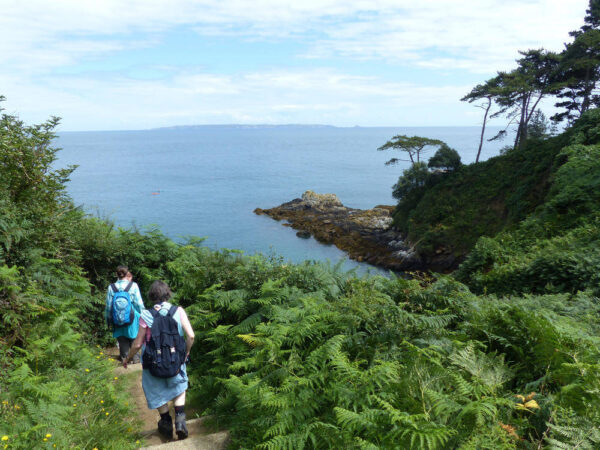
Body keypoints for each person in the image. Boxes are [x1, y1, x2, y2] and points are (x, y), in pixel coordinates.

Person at [123, 281, 195, 440]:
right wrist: (186, 353)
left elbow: (137, 343)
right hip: (176, 359)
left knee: (156, 390)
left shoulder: (146, 314)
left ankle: (166, 422)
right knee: (179, 386)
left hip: (153, 362)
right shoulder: (178, 311)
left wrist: (128, 358)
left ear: (152, 296)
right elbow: (191, 335)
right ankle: (181, 421)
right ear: (167, 293)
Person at [105, 265, 144, 363]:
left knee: (121, 338)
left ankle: (124, 358)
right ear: (127, 274)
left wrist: (108, 319)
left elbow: (108, 306)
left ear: (116, 275)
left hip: (117, 317)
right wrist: (143, 316)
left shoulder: (111, 287)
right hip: (132, 317)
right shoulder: (133, 285)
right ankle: (135, 359)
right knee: (133, 336)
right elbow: (139, 303)